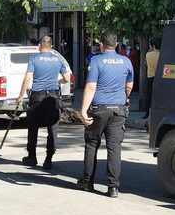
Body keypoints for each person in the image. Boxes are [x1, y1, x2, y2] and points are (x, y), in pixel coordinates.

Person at [77, 30, 134, 198]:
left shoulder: (96, 61)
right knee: (114, 148)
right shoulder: (126, 61)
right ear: (116, 44)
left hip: (99, 109)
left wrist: (83, 110)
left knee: (92, 144)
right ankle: (113, 187)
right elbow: (129, 86)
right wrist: (124, 97)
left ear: (101, 45)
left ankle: (87, 182)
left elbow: (91, 86)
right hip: (118, 109)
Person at [17, 36, 70, 169]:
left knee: (33, 128)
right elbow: (67, 78)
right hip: (53, 98)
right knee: (52, 129)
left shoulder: (34, 59)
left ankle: (32, 157)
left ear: (40, 46)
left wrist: (21, 96)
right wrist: (59, 82)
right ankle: (48, 159)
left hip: (37, 98)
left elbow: (27, 79)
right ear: (51, 46)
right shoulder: (58, 59)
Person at [143, 41, 160, 120]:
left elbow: (145, 63)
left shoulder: (148, 54)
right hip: (159, 78)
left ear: (153, 46)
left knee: (149, 96)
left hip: (150, 77)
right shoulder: (162, 55)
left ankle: (147, 113)